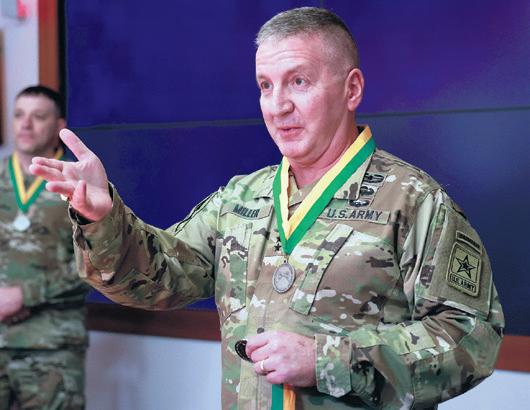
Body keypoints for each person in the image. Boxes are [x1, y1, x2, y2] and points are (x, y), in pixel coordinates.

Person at [31, 7, 504, 409]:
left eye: (298, 81)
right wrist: (103, 218)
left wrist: (326, 360)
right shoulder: (240, 199)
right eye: (265, 85)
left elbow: (471, 338)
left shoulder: (413, 200)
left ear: (352, 89)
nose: (278, 106)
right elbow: (158, 279)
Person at [0, 86, 89, 409]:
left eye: (38, 116)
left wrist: (24, 295)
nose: (26, 124)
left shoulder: (77, 185)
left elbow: (97, 264)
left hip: (51, 345)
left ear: (59, 126)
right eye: (19, 115)